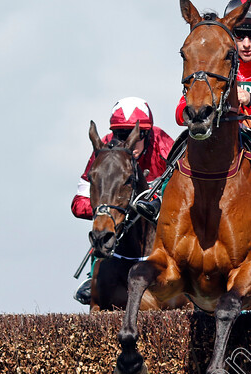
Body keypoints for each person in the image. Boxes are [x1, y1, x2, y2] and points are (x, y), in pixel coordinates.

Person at [138, 0, 251, 234]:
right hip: (228, 126)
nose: (246, 43)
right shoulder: (219, 53)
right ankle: (159, 194)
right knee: (190, 137)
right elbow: (179, 113)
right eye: (239, 35)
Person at [72, 97, 175, 305]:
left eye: (137, 135)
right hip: (121, 219)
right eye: (121, 134)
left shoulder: (163, 144)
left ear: (146, 133)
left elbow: (186, 188)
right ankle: (94, 276)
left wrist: (156, 202)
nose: (128, 140)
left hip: (159, 217)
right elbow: (78, 203)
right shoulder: (104, 151)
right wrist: (110, 208)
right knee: (104, 226)